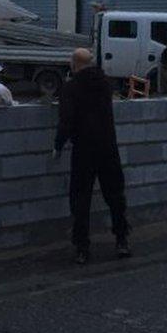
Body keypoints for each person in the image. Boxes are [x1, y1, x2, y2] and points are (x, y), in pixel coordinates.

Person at [54, 48, 130, 264]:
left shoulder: (71, 88)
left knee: (80, 199)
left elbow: (66, 120)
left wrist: (58, 145)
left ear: (74, 63)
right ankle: (122, 240)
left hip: (84, 150)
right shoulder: (105, 84)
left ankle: (82, 248)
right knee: (115, 196)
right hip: (108, 147)